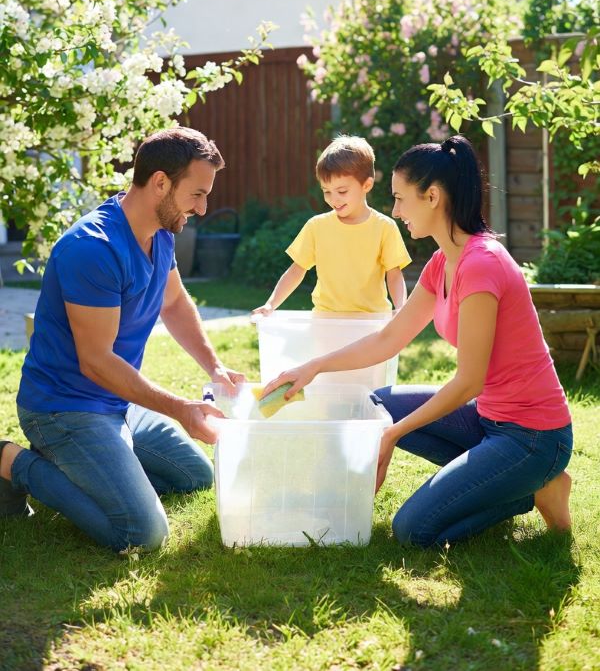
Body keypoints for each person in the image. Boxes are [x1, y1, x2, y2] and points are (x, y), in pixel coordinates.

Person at [262, 135, 573, 547]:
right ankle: (506, 480)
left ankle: (532, 486)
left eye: (400, 198)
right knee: (378, 403)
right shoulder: (443, 260)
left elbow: (469, 381)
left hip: (532, 434)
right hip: (488, 418)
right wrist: (312, 367)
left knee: (413, 531)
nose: (394, 211)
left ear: (432, 197)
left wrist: (392, 435)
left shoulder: (482, 265)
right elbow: (389, 338)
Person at [0, 127, 245, 552]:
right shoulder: (92, 248)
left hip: (117, 404)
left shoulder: (162, 233)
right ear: (161, 183)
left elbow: (174, 303)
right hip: (64, 409)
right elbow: (95, 361)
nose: (203, 209)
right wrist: (179, 408)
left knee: (194, 476)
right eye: (198, 194)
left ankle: (98, 472)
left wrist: (214, 367)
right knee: (142, 533)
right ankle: (12, 463)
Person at [252, 135, 411, 316]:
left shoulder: (385, 227)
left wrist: (401, 309)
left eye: (342, 191)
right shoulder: (316, 227)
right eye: (326, 191)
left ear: (366, 185)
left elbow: (394, 274)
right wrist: (270, 305)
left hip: (371, 321)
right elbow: (296, 270)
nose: (333, 199)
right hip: (326, 320)